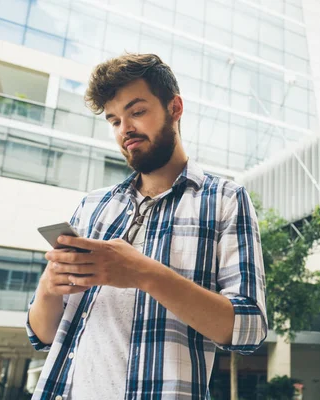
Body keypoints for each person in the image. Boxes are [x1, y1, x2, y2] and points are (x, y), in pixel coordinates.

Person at [25, 53, 267, 400]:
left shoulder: (226, 199)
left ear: (175, 108)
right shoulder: (92, 206)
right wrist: (49, 287)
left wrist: (145, 274)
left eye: (137, 112)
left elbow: (250, 328)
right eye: (114, 120)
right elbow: (42, 336)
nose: (125, 129)